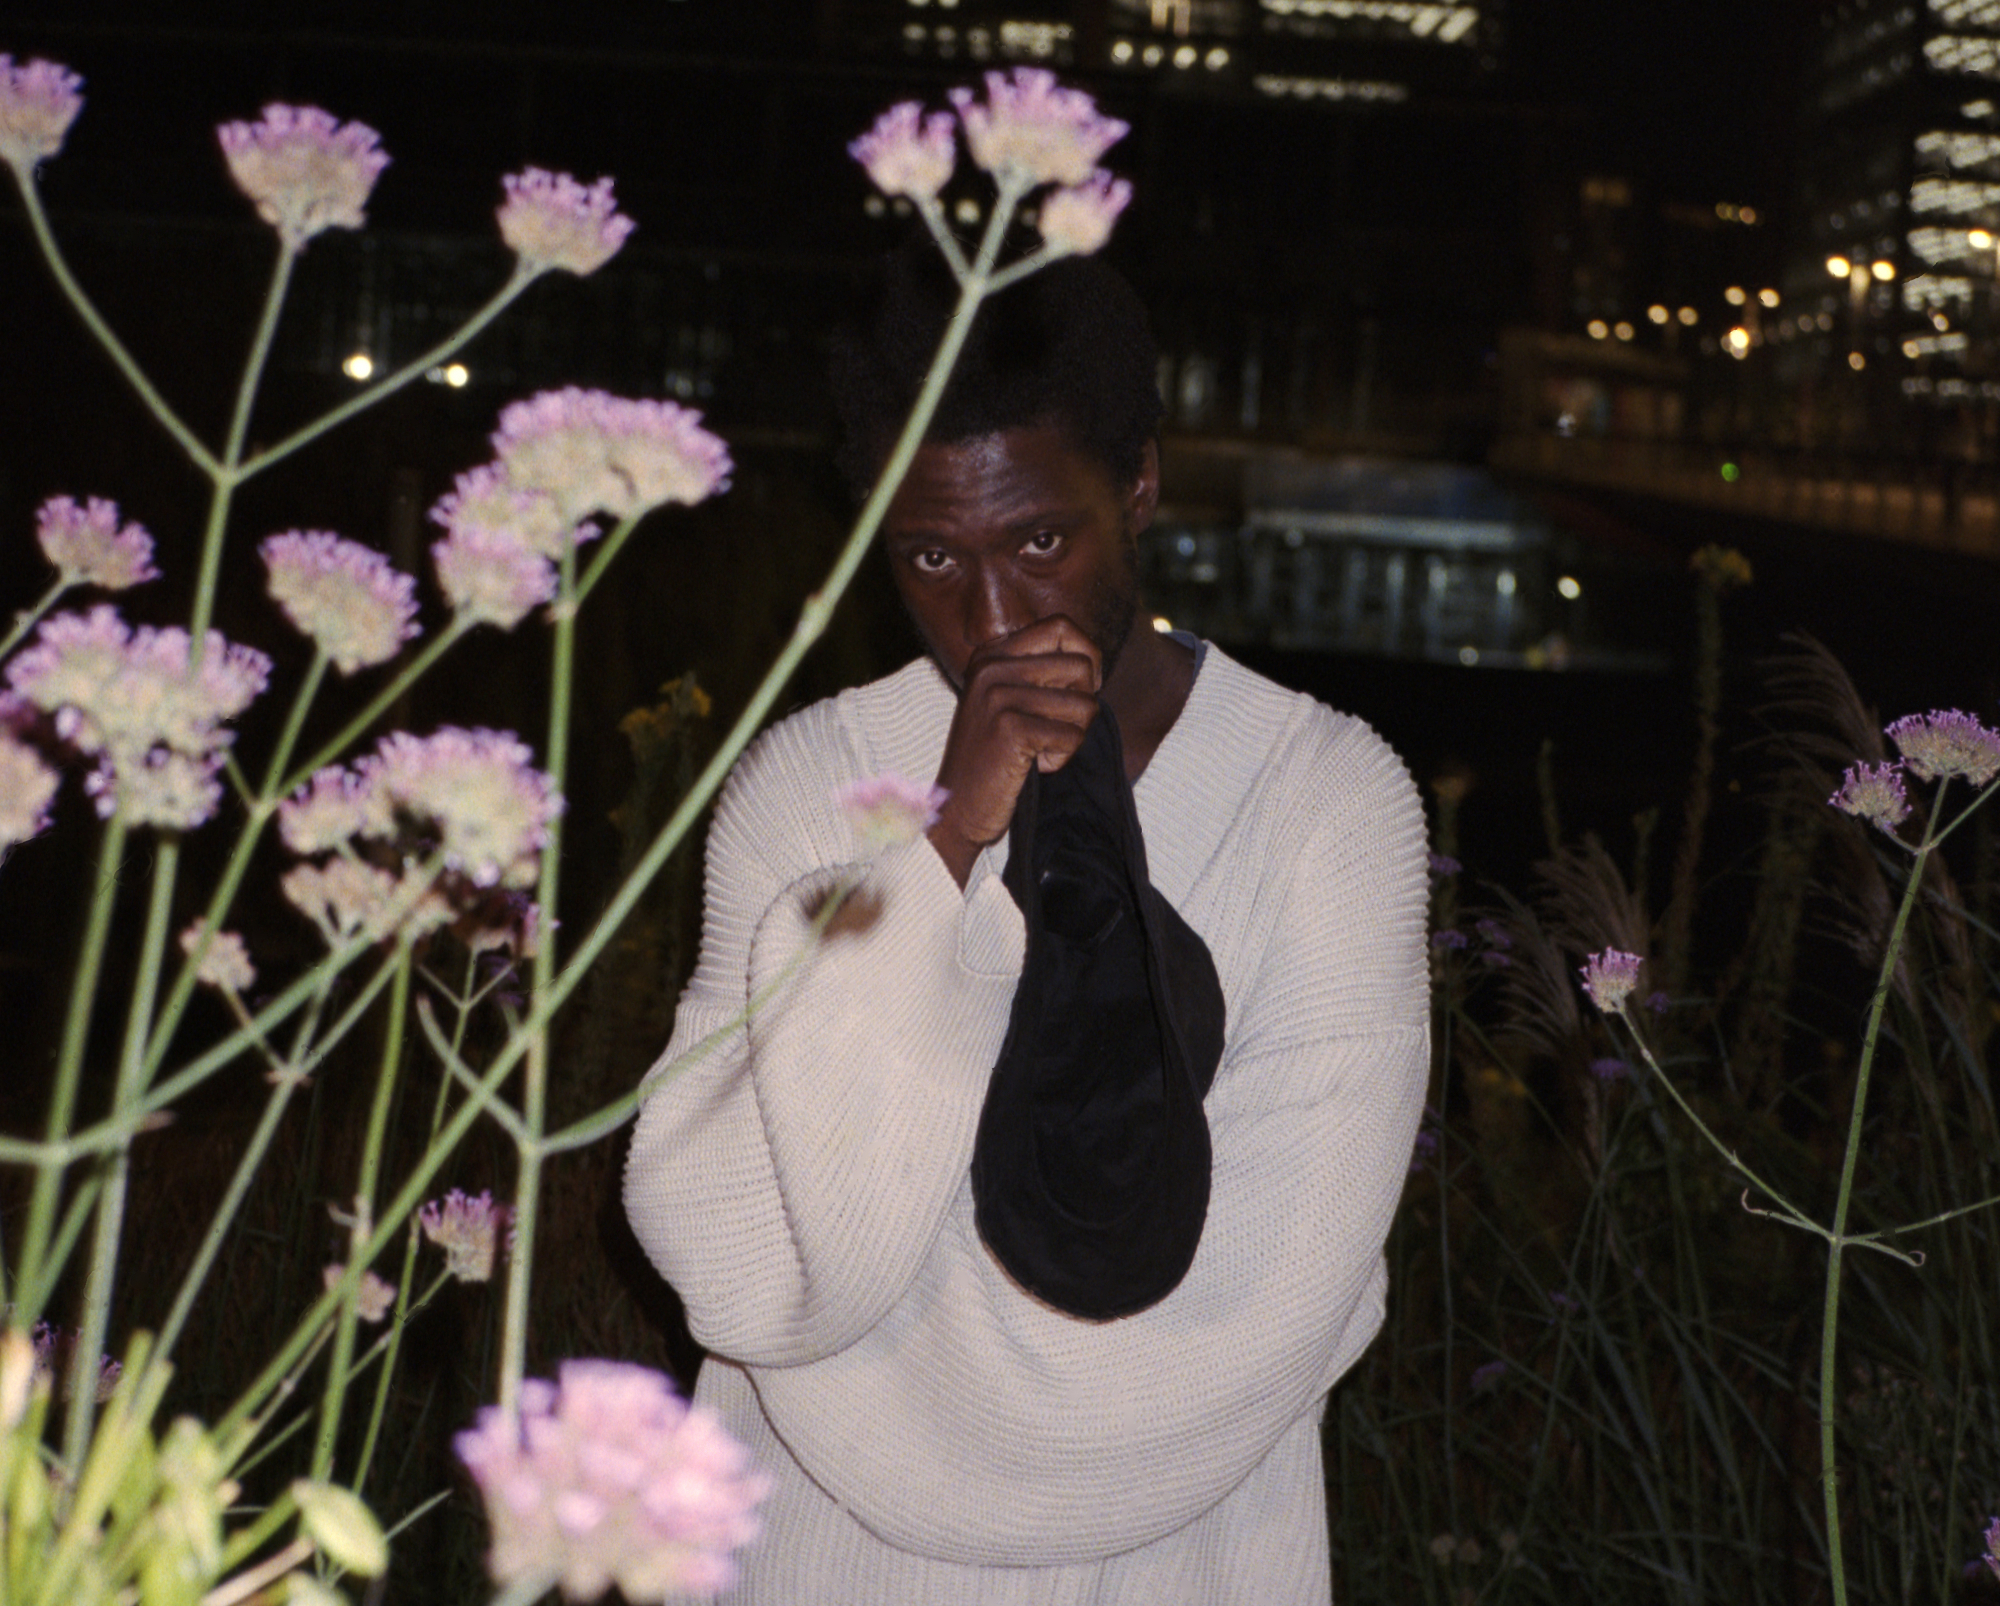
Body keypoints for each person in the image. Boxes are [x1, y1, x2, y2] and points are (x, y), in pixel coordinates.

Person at [623, 247, 1429, 1603]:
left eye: (1042, 542)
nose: (991, 617)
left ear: (1141, 488)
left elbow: (1266, 1308)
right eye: (933, 556)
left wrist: (878, 1301)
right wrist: (938, 848)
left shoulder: (1326, 805)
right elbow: (728, 1258)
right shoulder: (811, 787)